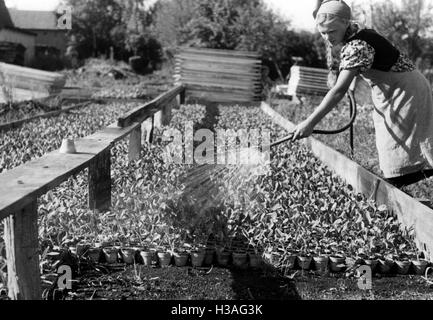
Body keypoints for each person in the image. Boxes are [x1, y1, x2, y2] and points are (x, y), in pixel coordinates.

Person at [291, 0, 433, 187]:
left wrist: (309, 123)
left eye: (331, 32)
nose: (327, 37)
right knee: (392, 142)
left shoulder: (358, 45)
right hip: (394, 88)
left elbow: (338, 91)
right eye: (323, 33)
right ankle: (398, 186)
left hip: (405, 91)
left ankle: (398, 189)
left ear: (345, 22)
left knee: (407, 144)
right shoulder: (356, 32)